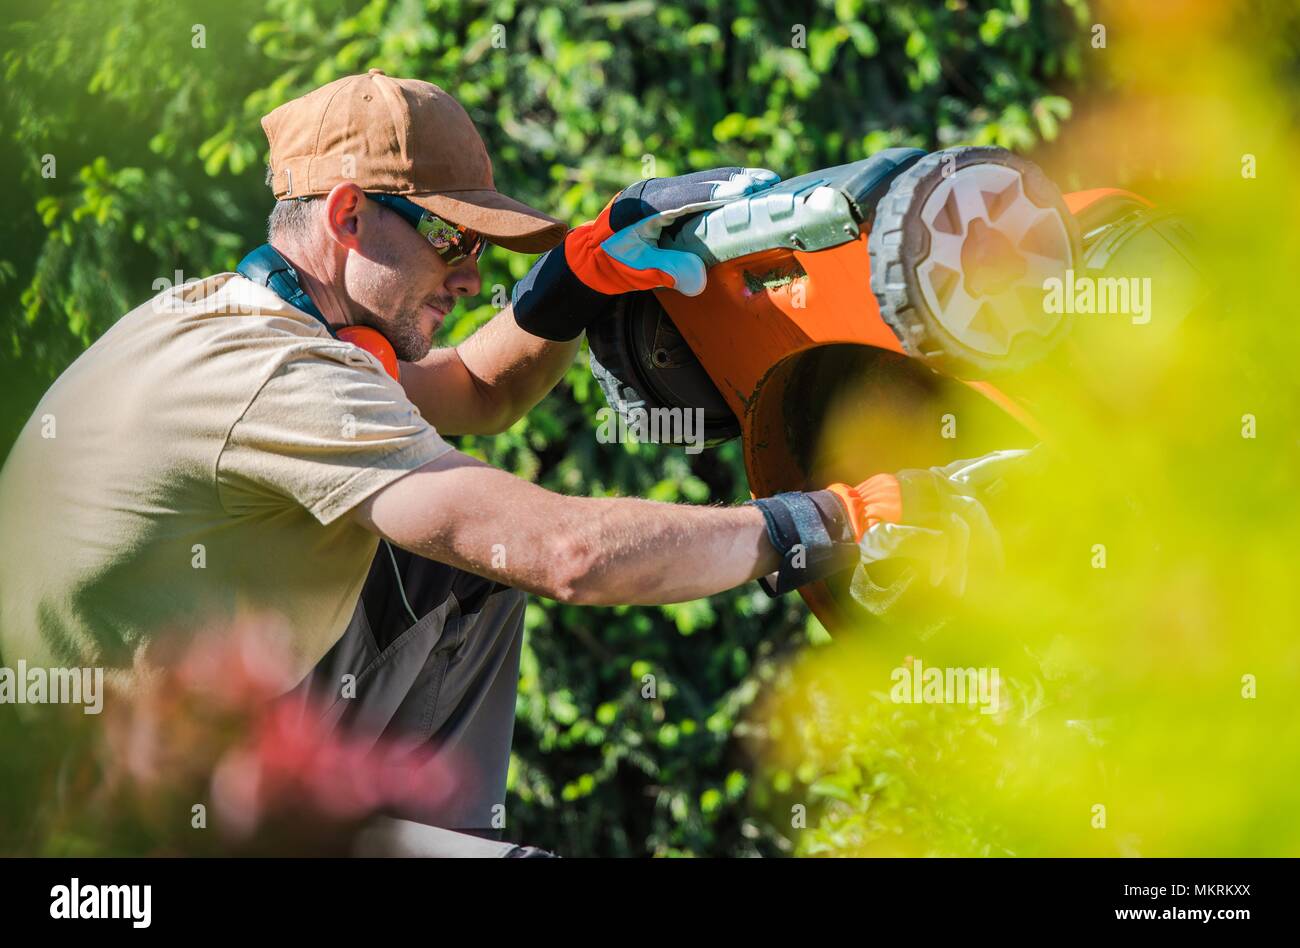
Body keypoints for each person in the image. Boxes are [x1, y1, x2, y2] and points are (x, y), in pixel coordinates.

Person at [0, 71, 891, 849]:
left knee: (460, 566)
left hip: (160, 753)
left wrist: (582, 277)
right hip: (111, 822)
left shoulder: (234, 326)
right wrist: (825, 522)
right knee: (495, 540)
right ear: (349, 215)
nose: (471, 279)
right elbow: (565, 555)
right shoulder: (275, 377)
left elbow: (475, 386)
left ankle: (435, 836)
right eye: (453, 241)